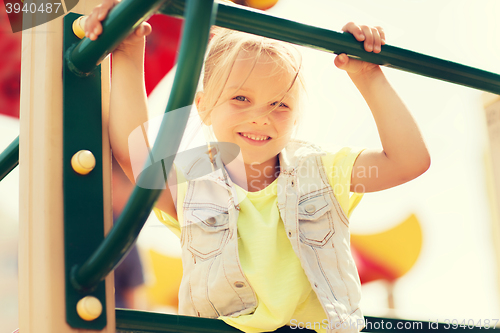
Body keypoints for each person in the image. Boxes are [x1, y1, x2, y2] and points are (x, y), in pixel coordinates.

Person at [85, 1, 430, 332]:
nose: (261, 118)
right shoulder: (196, 177)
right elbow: (136, 158)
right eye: (240, 99)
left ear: (297, 116)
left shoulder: (320, 170)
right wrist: (128, 52)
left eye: (280, 104)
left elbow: (408, 161)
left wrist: (369, 74)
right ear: (204, 106)